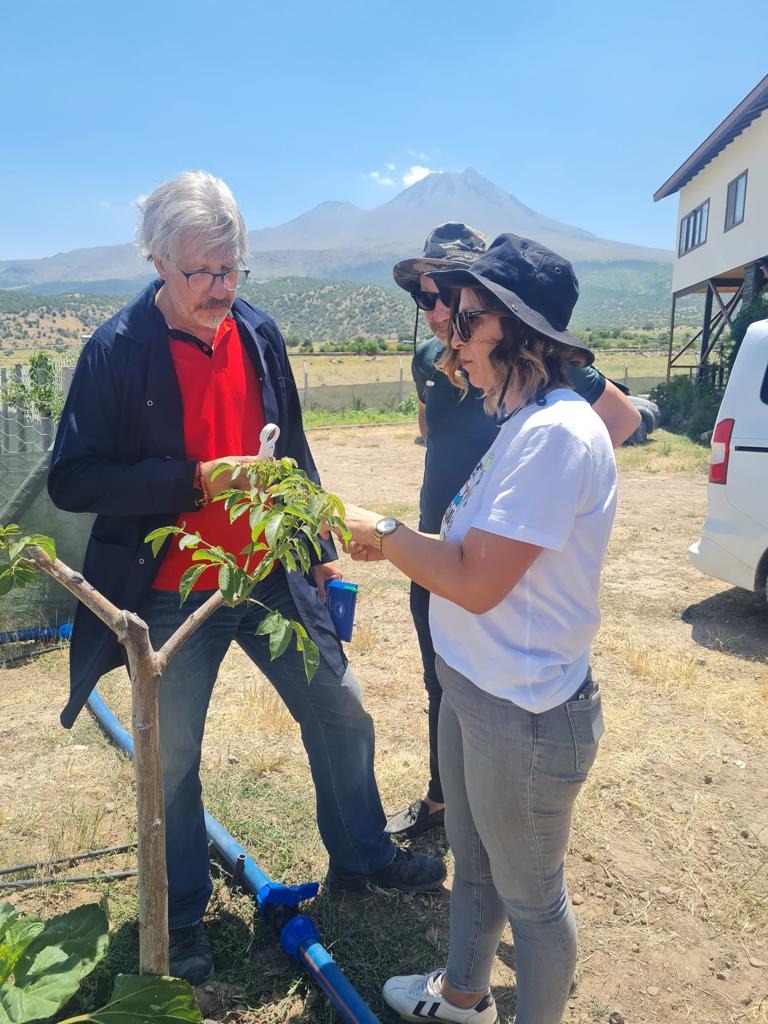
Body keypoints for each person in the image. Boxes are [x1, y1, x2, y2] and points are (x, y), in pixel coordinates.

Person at [47, 170, 445, 986]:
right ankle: (183, 916)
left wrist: (315, 542)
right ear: (158, 260)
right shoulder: (116, 351)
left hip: (267, 573)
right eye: (204, 273)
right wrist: (197, 481)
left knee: (341, 712)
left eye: (234, 271)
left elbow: (291, 446)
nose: (222, 290)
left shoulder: (258, 332)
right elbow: (74, 480)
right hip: (172, 590)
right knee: (174, 758)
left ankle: (362, 857)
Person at [329, 233, 618, 1024]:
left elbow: (476, 581)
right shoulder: (522, 423)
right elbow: (463, 551)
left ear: (523, 331)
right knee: (476, 864)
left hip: (523, 714)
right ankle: (462, 995)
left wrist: (377, 527)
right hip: (476, 687)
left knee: (533, 900)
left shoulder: (557, 435)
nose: (451, 341)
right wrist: (400, 542)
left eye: (467, 321)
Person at [386, 224, 640, 840]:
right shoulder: (432, 362)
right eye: (425, 297)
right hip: (436, 547)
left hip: (497, 567)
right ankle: (447, 802)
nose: (438, 310)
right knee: (440, 676)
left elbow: (620, 421)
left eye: (447, 291)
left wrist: (543, 497)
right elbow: (430, 432)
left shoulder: (532, 373)